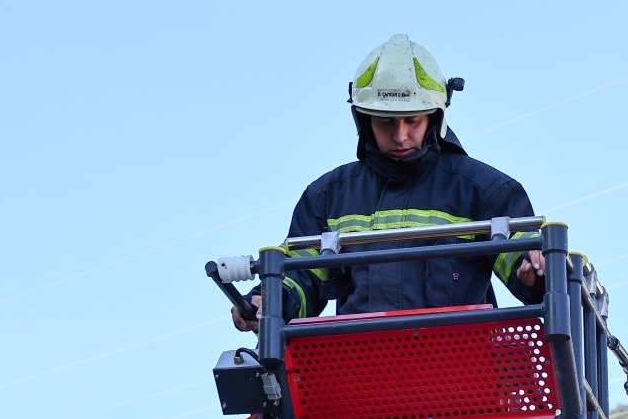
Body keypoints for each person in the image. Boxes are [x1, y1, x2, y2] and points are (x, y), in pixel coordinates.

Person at [233, 34, 544, 330]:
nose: (400, 136)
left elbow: (525, 260)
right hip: (361, 377)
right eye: (386, 123)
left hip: (459, 375)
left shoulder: (484, 192)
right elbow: (300, 278)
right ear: (363, 121)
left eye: (413, 121)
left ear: (435, 118)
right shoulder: (327, 198)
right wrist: (270, 301)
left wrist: (533, 273)